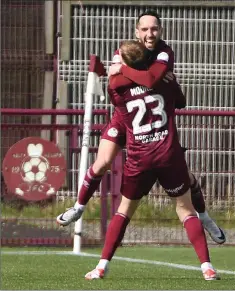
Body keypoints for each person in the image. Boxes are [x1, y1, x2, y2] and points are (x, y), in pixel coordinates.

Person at [57, 10, 225, 245]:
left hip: (152, 122)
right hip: (125, 118)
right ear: (137, 32)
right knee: (102, 162)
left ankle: (205, 217)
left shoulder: (165, 52)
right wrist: (142, 75)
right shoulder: (125, 50)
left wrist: (128, 72)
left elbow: (150, 81)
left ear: (161, 31)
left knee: (185, 177)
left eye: (154, 29)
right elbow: (117, 83)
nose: (150, 34)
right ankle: (78, 207)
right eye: (144, 29)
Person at [84, 40, 219, 281]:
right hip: (168, 154)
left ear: (126, 64)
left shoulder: (117, 87)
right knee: (185, 210)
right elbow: (180, 101)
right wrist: (167, 79)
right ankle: (207, 267)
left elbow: (118, 90)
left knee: (124, 210)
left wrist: (119, 70)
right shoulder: (165, 83)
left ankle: (102, 266)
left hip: (140, 158)